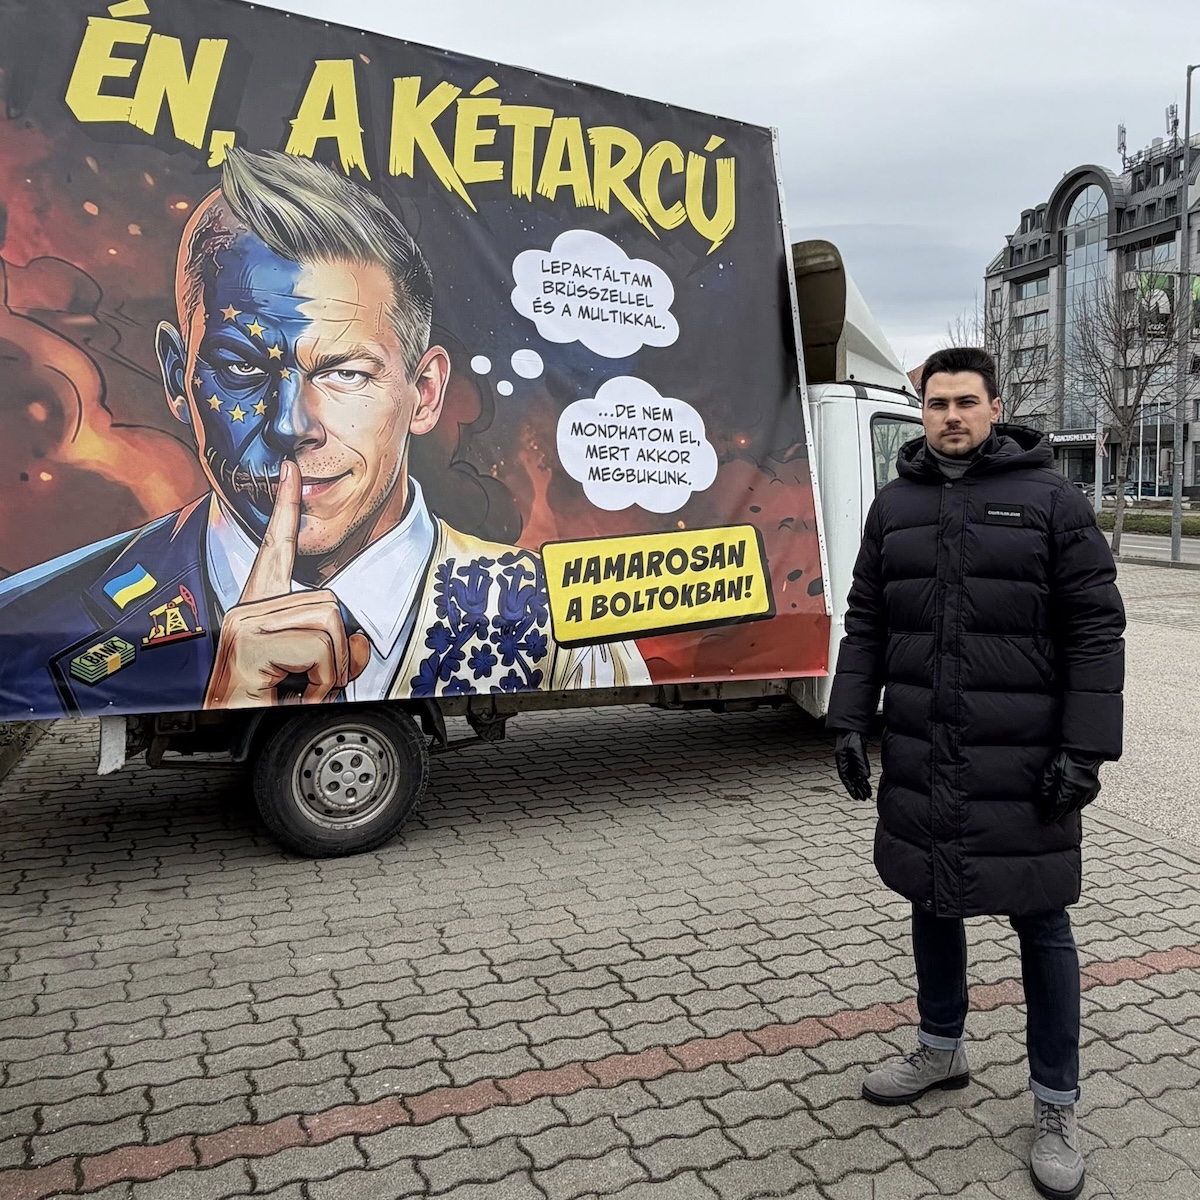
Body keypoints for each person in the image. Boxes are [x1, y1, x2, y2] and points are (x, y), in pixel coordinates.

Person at [0, 148, 647, 719]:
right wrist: (224, 709)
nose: (290, 425)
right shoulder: (31, 623)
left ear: (423, 394)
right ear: (178, 375)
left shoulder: (554, 622)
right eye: (241, 366)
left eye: (343, 372)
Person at [826, 346, 1124, 1200]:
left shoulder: (1052, 502)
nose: (950, 416)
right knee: (931, 897)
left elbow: (1096, 634)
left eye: (966, 402)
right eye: (937, 404)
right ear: (921, 411)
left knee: (1042, 924)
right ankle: (941, 1046)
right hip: (924, 748)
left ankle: (1057, 1103)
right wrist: (851, 719)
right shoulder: (896, 506)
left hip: (1023, 760)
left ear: (996, 407)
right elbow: (869, 620)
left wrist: (1085, 749)